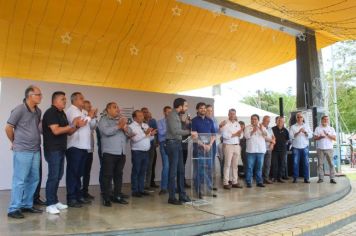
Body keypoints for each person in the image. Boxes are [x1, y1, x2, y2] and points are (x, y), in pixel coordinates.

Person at [42, 91, 86, 214]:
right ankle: (50, 203)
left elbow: (69, 132)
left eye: (65, 100)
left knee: (58, 176)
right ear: (54, 100)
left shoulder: (62, 113)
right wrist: (73, 123)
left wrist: (77, 126)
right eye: (62, 99)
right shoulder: (51, 112)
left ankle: (55, 201)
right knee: (53, 176)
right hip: (52, 149)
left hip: (61, 148)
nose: (65, 102)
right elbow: (55, 130)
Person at [5, 85, 43, 219]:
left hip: (35, 150)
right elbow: (8, 127)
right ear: (30, 96)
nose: (40, 96)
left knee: (34, 178)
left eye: (40, 94)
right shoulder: (19, 109)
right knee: (19, 180)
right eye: (38, 94)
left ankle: (27, 205)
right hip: (22, 150)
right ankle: (14, 208)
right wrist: (14, 142)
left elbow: (36, 128)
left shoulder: (38, 111)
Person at [65, 92, 97, 207]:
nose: (83, 100)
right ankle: (71, 198)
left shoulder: (82, 111)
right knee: (73, 173)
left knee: (79, 174)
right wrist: (90, 115)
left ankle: (78, 196)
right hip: (74, 146)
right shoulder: (71, 110)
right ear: (74, 100)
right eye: (81, 98)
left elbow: (91, 126)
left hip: (84, 146)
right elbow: (80, 123)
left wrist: (91, 116)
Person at [166, 98, 197, 205]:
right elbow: (175, 131)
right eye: (186, 106)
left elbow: (179, 131)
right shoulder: (172, 115)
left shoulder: (177, 116)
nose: (187, 108)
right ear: (180, 106)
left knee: (181, 170)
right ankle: (171, 197)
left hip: (178, 144)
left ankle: (182, 195)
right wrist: (190, 132)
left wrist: (187, 125)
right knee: (173, 172)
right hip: (172, 144)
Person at [98, 102, 130, 206]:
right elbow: (106, 132)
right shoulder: (103, 120)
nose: (117, 109)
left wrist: (125, 127)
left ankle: (117, 196)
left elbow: (131, 133)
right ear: (108, 109)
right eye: (114, 107)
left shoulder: (120, 121)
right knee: (107, 176)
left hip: (121, 152)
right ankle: (106, 198)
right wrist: (118, 126)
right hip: (109, 153)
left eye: (117, 107)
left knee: (118, 176)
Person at [191, 102, 216, 198]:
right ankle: (199, 191)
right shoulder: (194, 121)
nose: (203, 110)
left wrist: (209, 145)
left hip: (209, 148)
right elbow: (193, 136)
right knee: (199, 170)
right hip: (199, 149)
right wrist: (203, 145)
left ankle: (208, 190)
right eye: (201, 108)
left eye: (204, 108)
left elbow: (213, 135)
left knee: (209, 169)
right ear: (197, 110)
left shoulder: (210, 121)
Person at [129, 110, 156, 197]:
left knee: (143, 171)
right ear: (134, 118)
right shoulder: (131, 126)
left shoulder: (145, 125)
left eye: (142, 115)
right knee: (136, 171)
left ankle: (141, 189)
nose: (142, 117)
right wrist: (146, 133)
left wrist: (151, 134)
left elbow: (148, 138)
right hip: (137, 152)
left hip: (146, 152)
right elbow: (134, 139)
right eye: (139, 115)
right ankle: (135, 190)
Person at [220, 109, 243, 189]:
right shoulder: (225, 123)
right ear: (228, 114)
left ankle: (234, 181)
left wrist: (239, 135)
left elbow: (241, 136)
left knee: (235, 165)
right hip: (228, 146)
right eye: (231, 114)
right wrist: (235, 134)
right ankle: (226, 182)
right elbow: (224, 136)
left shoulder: (237, 124)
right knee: (227, 165)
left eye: (234, 114)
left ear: (235, 115)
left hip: (237, 145)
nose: (232, 115)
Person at [244, 114, 268, 188]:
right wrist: (252, 131)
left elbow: (266, 136)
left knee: (259, 167)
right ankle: (248, 182)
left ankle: (259, 182)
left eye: (255, 119)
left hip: (260, 151)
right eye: (252, 119)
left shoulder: (262, 127)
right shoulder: (247, 128)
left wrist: (261, 129)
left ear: (258, 120)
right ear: (251, 120)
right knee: (249, 167)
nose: (254, 120)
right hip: (251, 151)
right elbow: (246, 136)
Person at [289, 112, 312, 183]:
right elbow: (291, 137)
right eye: (298, 117)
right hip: (296, 147)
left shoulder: (307, 126)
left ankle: (306, 178)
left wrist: (305, 132)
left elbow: (311, 135)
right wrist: (298, 132)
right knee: (295, 163)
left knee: (306, 163)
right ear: (296, 118)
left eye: (301, 117)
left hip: (305, 147)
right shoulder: (293, 127)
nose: (299, 118)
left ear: (303, 118)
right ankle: (295, 178)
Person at [82, 100, 98, 200]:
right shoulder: (82, 116)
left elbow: (94, 126)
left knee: (87, 172)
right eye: (87, 106)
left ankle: (85, 191)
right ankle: (77, 192)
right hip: (82, 149)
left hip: (90, 148)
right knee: (80, 172)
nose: (90, 108)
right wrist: (90, 116)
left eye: (90, 106)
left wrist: (94, 117)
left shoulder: (90, 116)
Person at [314, 115, 337, 184]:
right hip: (320, 148)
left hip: (329, 148)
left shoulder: (331, 128)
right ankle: (321, 178)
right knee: (320, 164)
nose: (326, 121)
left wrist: (327, 134)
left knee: (331, 164)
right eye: (324, 119)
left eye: (327, 119)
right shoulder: (318, 128)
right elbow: (314, 138)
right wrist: (320, 137)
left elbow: (334, 138)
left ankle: (332, 178)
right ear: (321, 120)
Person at [141, 107, 159, 189]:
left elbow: (156, 132)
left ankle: (150, 182)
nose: (145, 113)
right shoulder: (140, 122)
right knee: (143, 165)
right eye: (144, 112)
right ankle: (142, 184)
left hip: (152, 145)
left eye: (147, 112)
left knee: (151, 165)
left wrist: (157, 142)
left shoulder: (153, 121)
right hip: (143, 146)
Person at [157, 106, 172, 195]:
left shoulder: (174, 122)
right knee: (166, 166)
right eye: (168, 112)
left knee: (173, 166)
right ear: (164, 112)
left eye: (171, 112)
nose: (169, 113)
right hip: (164, 144)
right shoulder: (160, 122)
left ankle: (172, 186)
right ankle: (163, 188)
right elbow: (161, 133)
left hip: (173, 144)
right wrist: (170, 128)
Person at [271, 116, 289, 183]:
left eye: (281, 121)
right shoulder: (272, 129)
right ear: (276, 121)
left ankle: (280, 177)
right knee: (274, 164)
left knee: (282, 164)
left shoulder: (285, 130)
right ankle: (274, 177)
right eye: (279, 121)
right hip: (274, 149)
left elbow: (287, 139)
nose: (280, 122)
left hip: (283, 150)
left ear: (283, 122)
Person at [206, 104, 219, 190]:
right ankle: (205, 184)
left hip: (213, 143)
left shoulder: (214, 119)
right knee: (205, 164)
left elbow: (216, 131)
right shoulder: (202, 120)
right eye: (208, 111)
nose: (210, 112)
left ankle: (210, 184)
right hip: (204, 143)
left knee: (211, 164)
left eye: (211, 111)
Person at [262, 116, 275, 184]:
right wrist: (272, 141)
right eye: (267, 121)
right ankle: (260, 179)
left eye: (269, 121)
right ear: (263, 120)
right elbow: (264, 137)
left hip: (269, 149)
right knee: (261, 165)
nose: (268, 122)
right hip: (261, 149)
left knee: (268, 164)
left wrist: (272, 144)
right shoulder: (260, 127)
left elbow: (273, 137)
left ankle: (266, 178)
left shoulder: (270, 129)